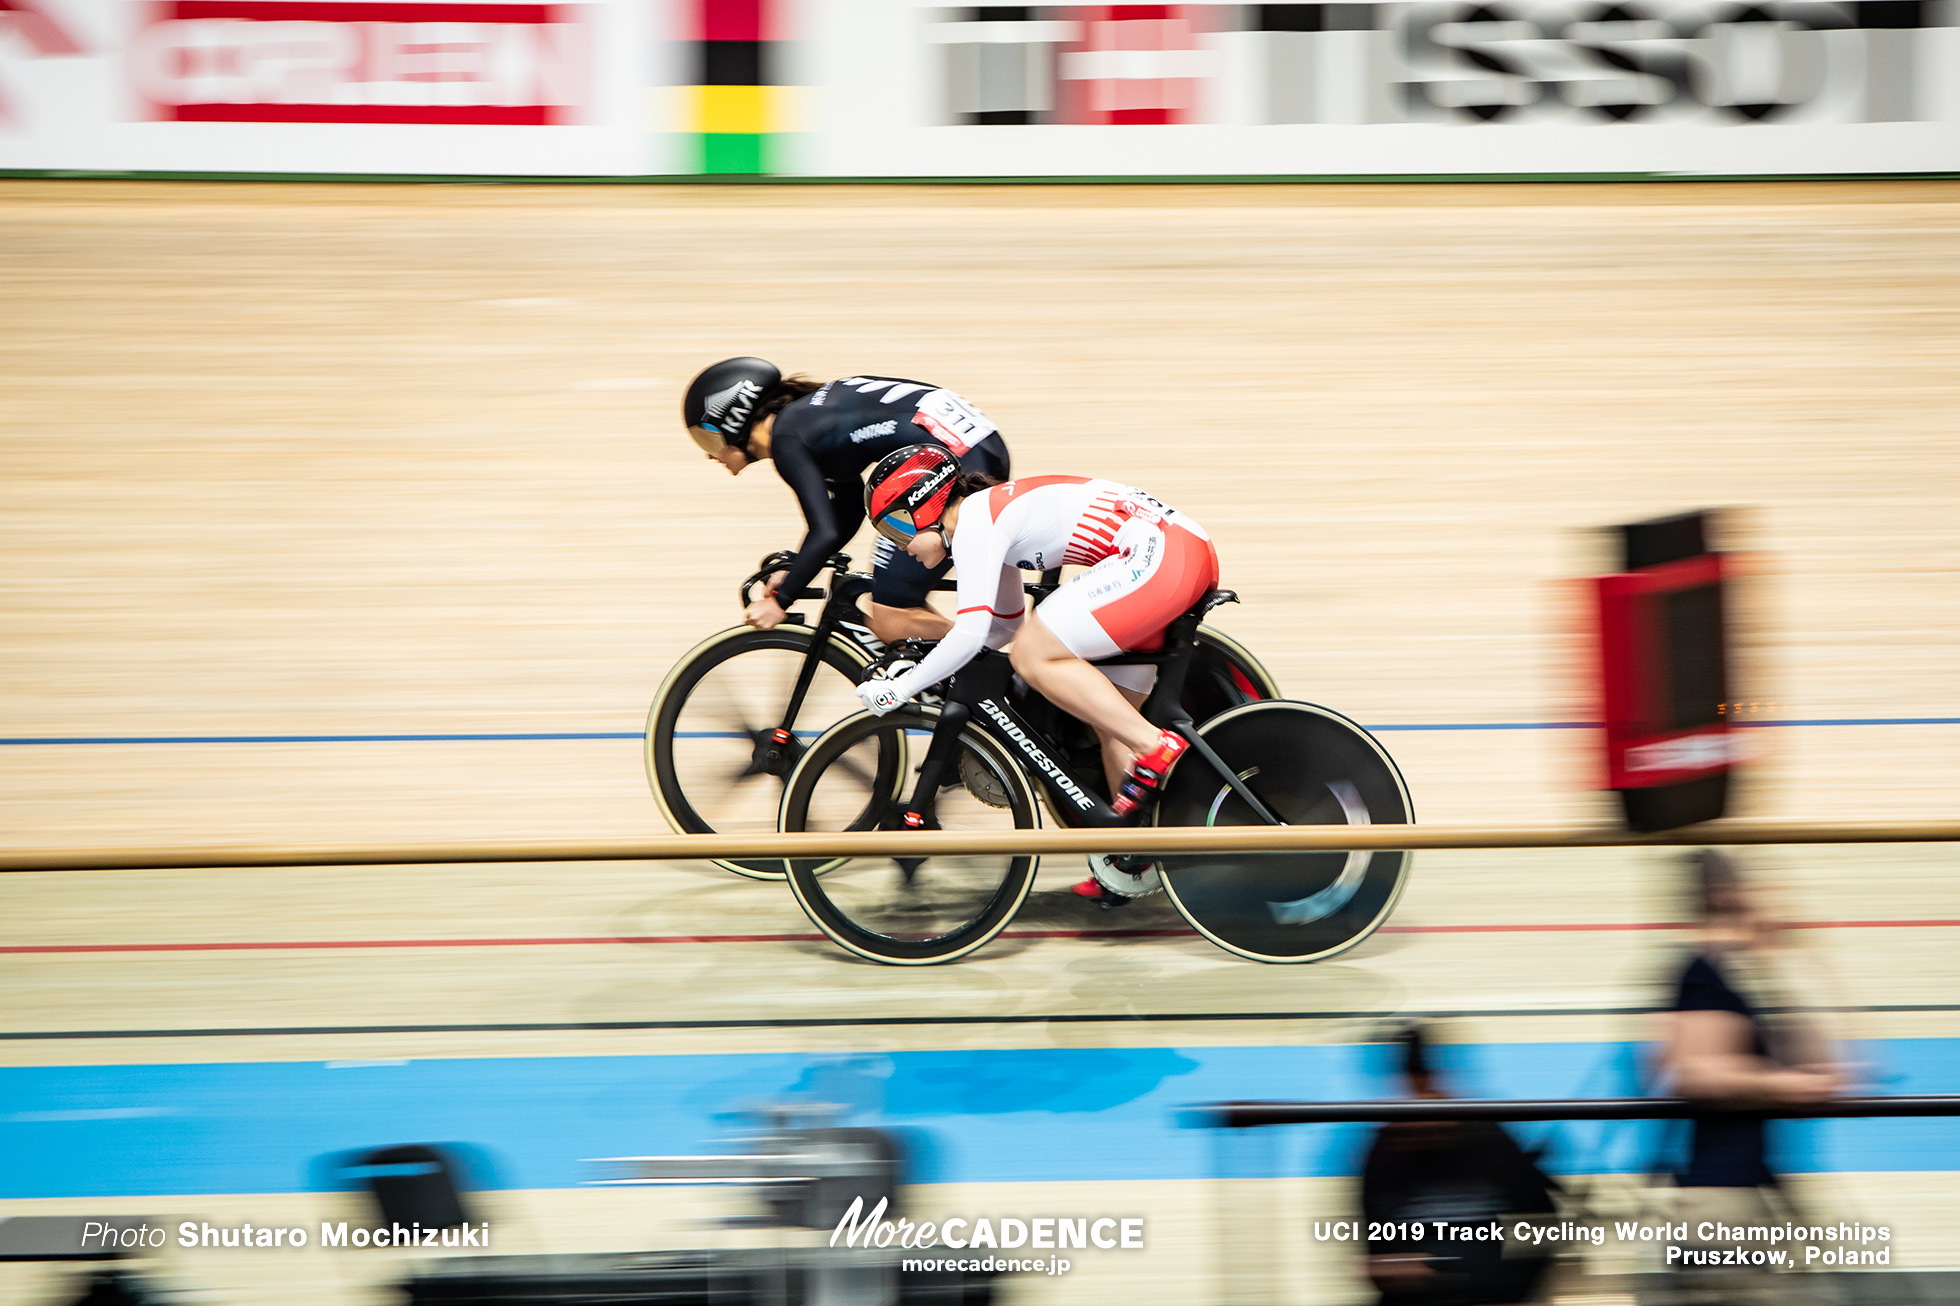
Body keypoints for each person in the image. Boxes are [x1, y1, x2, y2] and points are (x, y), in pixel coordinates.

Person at [850, 446, 1220, 895]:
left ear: (924, 506)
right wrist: (927, 662)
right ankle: (1129, 860)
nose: (899, 546)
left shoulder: (973, 524)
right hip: (1173, 552)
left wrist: (903, 687)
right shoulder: (984, 518)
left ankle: (1154, 746)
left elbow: (972, 632)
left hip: (1161, 557)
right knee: (1112, 719)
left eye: (894, 527)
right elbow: (1002, 623)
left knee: (1034, 655)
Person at [682, 358, 1012, 645]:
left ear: (734, 419)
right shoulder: (806, 421)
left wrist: (780, 602)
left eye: (706, 437)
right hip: (976, 453)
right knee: (895, 598)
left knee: (889, 616)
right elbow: (846, 512)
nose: (710, 455)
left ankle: (989, 675)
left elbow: (823, 531)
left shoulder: (787, 439)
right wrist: (799, 568)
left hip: (956, 463)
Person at [1658, 850, 1839, 1304]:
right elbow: (1694, 1074)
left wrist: (1797, 957)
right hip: (1722, 1200)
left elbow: (1835, 1068)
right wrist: (1781, 1084)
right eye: (1762, 889)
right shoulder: (1702, 975)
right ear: (1729, 895)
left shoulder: (1750, 979)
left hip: (1755, 1194)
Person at [1358, 1024, 1558, 1306]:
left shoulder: (1487, 1139)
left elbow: (1543, 1224)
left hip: (1483, 1294)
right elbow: (1376, 1252)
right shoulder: (1386, 1152)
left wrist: (1511, 1292)